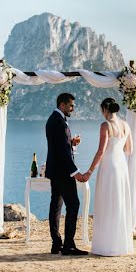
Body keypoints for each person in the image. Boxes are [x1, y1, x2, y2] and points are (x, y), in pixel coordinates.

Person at [81, 97, 134, 256]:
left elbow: (101, 151)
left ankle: (106, 245)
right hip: (121, 166)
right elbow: (129, 149)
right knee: (119, 202)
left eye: (101, 109)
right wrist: (118, 145)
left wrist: (89, 171)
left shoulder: (105, 125)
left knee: (106, 203)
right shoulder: (125, 125)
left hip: (109, 167)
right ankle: (120, 244)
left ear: (104, 109)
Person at [45, 93, 88, 256]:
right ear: (62, 105)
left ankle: (56, 244)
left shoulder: (52, 119)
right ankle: (68, 245)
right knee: (73, 205)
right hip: (63, 173)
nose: (73, 108)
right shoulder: (61, 123)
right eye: (71, 105)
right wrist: (76, 173)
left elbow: (59, 146)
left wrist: (72, 144)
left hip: (54, 171)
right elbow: (63, 154)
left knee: (55, 206)